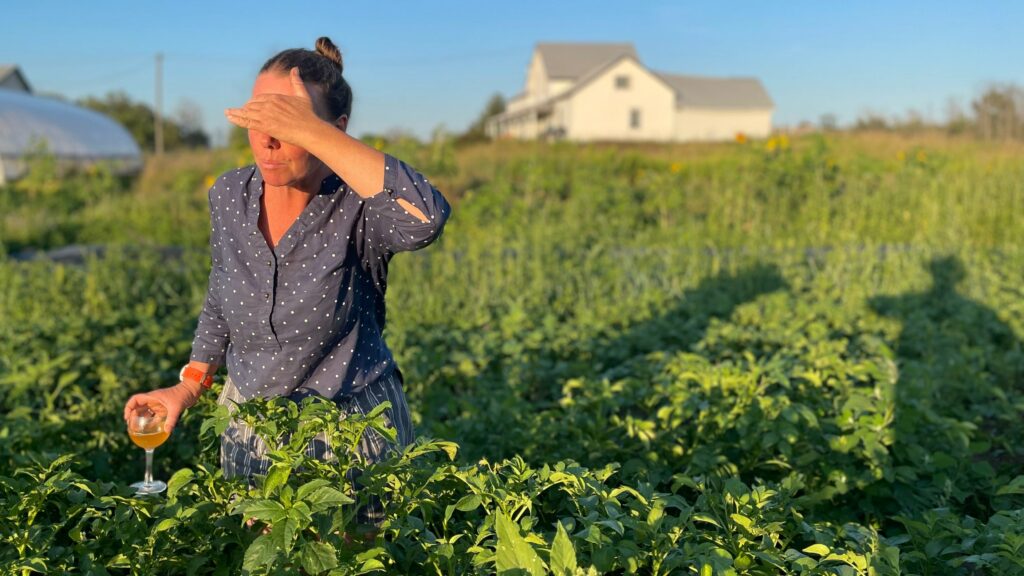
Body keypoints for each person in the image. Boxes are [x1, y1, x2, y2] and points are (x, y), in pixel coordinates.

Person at [122, 36, 452, 531]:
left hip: (350, 430)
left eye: (287, 124)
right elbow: (222, 293)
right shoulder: (230, 194)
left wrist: (315, 134)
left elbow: (424, 220)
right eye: (260, 120)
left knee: (356, 560)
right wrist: (187, 387)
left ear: (334, 130)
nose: (268, 140)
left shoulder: (358, 203)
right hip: (249, 428)